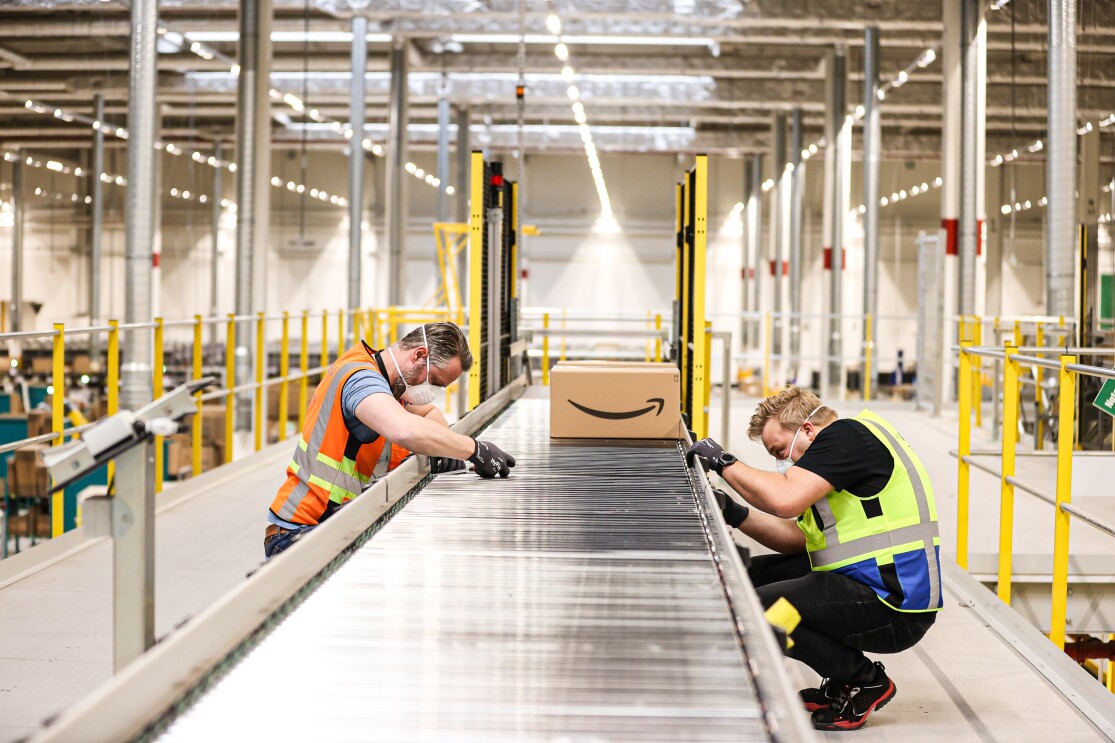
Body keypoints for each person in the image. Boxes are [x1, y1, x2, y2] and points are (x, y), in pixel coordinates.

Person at [686, 386, 941, 731]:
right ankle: (841, 677)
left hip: (894, 605)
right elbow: (794, 539)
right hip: (866, 583)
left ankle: (865, 681)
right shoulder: (833, 464)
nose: (785, 461)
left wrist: (724, 463)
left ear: (807, 429)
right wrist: (733, 512)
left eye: (781, 450)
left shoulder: (847, 437)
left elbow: (785, 499)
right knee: (744, 579)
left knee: (755, 607)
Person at [265, 322, 515, 558]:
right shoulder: (361, 379)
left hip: (335, 522)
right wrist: (474, 450)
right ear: (419, 355)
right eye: (435, 382)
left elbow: (430, 414)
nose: (432, 393)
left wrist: (441, 449)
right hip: (299, 532)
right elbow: (404, 430)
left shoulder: (389, 384)